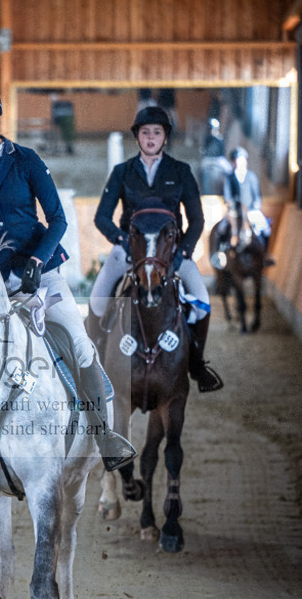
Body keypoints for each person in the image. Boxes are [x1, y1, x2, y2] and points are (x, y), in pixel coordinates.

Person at [0, 80, 137, 476]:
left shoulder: (28, 160)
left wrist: (38, 258)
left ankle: (105, 437)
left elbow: (59, 219)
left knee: (77, 340)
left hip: (43, 275)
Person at [88, 105, 223, 393]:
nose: (151, 138)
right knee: (98, 302)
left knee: (201, 300)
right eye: (145, 132)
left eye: (156, 133)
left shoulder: (181, 171)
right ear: (137, 137)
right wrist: (121, 240)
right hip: (129, 252)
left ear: (165, 137)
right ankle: (94, 365)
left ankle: (197, 365)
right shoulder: (122, 172)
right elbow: (102, 216)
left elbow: (197, 219)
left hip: (171, 254)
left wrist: (184, 250)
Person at [215, 147, 273, 263]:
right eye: (237, 160)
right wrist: (232, 206)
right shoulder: (229, 178)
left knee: (266, 229)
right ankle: (220, 255)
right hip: (235, 211)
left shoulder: (251, 177)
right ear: (233, 162)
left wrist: (255, 206)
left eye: (242, 160)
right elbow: (227, 196)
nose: (240, 162)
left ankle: (265, 255)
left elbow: (256, 196)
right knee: (221, 228)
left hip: (251, 210)